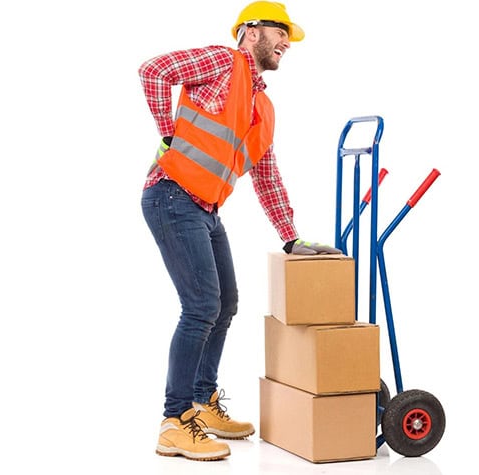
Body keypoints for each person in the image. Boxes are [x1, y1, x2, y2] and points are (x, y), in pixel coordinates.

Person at [138, 1, 340, 461]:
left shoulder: (262, 106)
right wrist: (168, 133)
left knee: (225, 304)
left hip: (204, 208)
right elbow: (153, 70)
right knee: (201, 306)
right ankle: (174, 421)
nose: (288, 42)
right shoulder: (221, 62)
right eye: (281, 32)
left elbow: (266, 174)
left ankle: (202, 402)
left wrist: (291, 236)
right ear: (251, 32)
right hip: (171, 195)